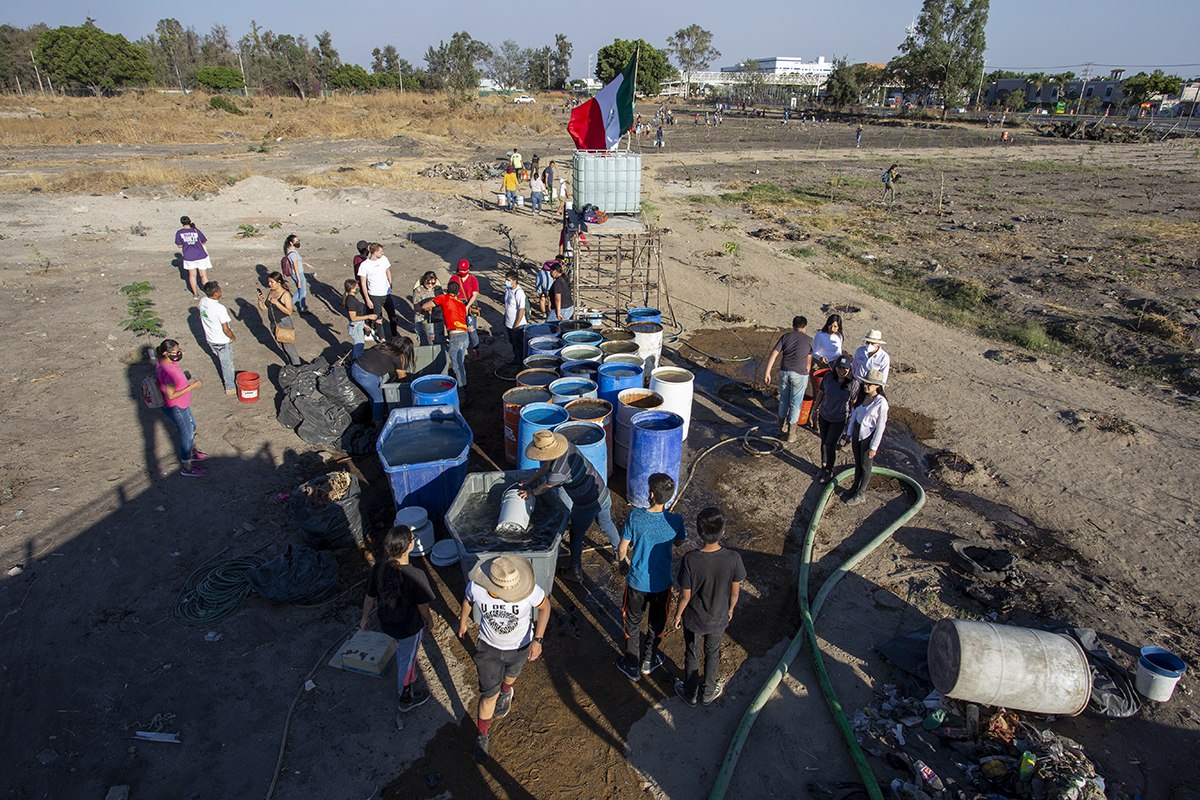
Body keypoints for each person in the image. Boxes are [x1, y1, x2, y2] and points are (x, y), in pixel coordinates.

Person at [458, 555, 549, 765]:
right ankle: (483, 735)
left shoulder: (529, 590)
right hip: (488, 649)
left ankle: (507, 691)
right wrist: (463, 621)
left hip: (520, 646)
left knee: (512, 675)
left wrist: (538, 640)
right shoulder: (477, 587)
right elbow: (468, 600)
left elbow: (545, 607)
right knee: (489, 695)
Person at [517, 430, 620, 583]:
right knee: (606, 523)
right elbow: (546, 467)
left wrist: (530, 493)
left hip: (586, 504)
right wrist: (529, 481)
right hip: (601, 492)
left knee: (576, 535)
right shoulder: (568, 447)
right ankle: (620, 553)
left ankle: (575, 572)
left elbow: (546, 486)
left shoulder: (558, 471)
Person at [360, 525, 435, 721]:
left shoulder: (378, 568)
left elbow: (369, 598)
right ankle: (406, 698)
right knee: (407, 661)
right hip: (408, 628)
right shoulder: (416, 576)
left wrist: (365, 618)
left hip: (387, 624)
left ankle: (407, 681)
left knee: (404, 654)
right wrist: (429, 621)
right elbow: (422, 607)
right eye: (413, 538)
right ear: (409, 547)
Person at [615, 473, 686, 681]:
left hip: (637, 582)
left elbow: (622, 548)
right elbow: (680, 542)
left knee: (632, 622)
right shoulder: (675, 521)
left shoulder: (635, 517)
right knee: (657, 623)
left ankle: (631, 664)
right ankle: (649, 659)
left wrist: (622, 563)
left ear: (652, 494)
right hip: (662, 584)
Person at [673, 506, 745, 706]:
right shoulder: (733, 558)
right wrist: (730, 609)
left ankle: (690, 693)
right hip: (718, 618)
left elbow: (685, 595)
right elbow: (735, 592)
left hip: (694, 619)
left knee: (692, 653)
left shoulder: (690, 559)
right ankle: (708, 692)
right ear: (723, 532)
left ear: (698, 531)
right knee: (713, 652)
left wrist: (678, 615)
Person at [155, 339, 206, 477]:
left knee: (192, 426)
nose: (178, 353)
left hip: (183, 404)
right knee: (187, 433)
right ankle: (186, 465)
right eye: (176, 352)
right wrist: (192, 386)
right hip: (177, 406)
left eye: (179, 350)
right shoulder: (167, 372)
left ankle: (191, 452)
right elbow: (171, 395)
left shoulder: (167, 362)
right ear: (166, 353)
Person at [841, 369, 889, 506]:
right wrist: (849, 434)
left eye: (870, 384)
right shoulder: (862, 396)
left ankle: (861, 493)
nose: (866, 386)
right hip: (857, 432)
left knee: (866, 465)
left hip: (868, 436)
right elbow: (854, 416)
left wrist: (874, 447)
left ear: (877, 386)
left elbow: (880, 427)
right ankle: (854, 487)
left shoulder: (881, 403)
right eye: (865, 383)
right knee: (857, 462)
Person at [762, 316, 813, 442]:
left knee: (783, 400)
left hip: (784, 372)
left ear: (793, 326)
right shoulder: (809, 340)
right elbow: (809, 358)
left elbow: (774, 353)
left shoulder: (785, 337)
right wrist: (807, 370)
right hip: (799, 375)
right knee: (795, 403)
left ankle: (779, 430)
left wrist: (767, 372)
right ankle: (791, 434)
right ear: (805, 327)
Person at [420, 281, 470, 389]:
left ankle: (462, 391)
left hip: (455, 336)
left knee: (457, 365)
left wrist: (430, 308)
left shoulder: (444, 298)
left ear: (447, 290)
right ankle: (462, 386)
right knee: (459, 363)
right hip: (465, 335)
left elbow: (425, 306)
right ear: (458, 292)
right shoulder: (461, 303)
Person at [351, 338, 414, 422]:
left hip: (356, 367)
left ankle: (374, 416)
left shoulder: (385, 346)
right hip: (365, 374)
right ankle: (378, 423)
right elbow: (402, 376)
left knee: (373, 395)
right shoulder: (398, 356)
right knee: (378, 399)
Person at [816, 355, 854, 484]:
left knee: (830, 444)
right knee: (823, 441)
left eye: (845, 368)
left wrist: (850, 424)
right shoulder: (828, 377)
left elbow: (854, 404)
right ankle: (824, 464)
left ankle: (829, 470)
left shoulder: (853, 384)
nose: (841, 370)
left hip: (839, 419)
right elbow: (821, 393)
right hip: (824, 415)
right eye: (839, 367)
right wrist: (814, 409)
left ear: (850, 369)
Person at [197, 281, 237, 395]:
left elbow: (201, 316)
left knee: (220, 358)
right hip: (222, 341)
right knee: (227, 365)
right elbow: (225, 328)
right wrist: (232, 337)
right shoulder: (220, 308)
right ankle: (230, 387)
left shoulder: (203, 301)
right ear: (215, 294)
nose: (221, 291)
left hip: (210, 339)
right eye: (219, 289)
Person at [257, 272, 302, 366]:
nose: (269, 284)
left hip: (284, 323)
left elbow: (289, 311)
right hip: (274, 323)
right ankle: (291, 365)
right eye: (269, 282)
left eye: (271, 282)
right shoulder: (271, 292)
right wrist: (260, 300)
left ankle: (298, 367)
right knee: (281, 346)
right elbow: (263, 308)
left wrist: (277, 303)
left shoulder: (285, 294)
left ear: (279, 282)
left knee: (289, 348)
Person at [357, 242, 398, 340]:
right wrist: (367, 299)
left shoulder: (384, 259)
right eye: (380, 251)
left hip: (386, 293)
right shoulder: (365, 265)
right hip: (374, 295)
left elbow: (388, 271)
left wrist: (390, 283)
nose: (382, 253)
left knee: (392, 315)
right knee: (378, 318)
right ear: (374, 252)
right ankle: (382, 338)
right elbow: (363, 283)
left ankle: (394, 335)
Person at [175, 216, 212, 301]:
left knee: (192, 275)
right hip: (200, 255)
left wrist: (186, 243)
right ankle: (208, 292)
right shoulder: (195, 230)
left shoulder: (179, 233)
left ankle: (195, 293)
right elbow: (204, 241)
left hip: (189, 256)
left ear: (182, 223)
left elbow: (179, 245)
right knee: (203, 275)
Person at [342, 279, 378, 360]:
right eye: (356, 287)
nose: (358, 288)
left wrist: (363, 325)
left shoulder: (352, 298)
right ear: (351, 289)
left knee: (360, 345)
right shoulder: (351, 301)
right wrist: (368, 316)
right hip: (356, 326)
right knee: (359, 346)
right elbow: (353, 318)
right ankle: (357, 363)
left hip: (358, 325)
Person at [453, 260, 481, 353]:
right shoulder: (454, 278)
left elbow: (475, 294)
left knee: (471, 329)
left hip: (470, 303)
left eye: (464, 270)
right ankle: (462, 348)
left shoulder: (473, 279)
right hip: (458, 304)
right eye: (461, 270)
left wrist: (467, 306)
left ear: (468, 269)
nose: (462, 272)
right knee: (460, 328)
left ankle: (476, 349)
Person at [851, 329, 890, 396]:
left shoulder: (884, 357)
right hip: (858, 385)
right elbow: (854, 367)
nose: (869, 345)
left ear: (878, 343)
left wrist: (879, 392)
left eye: (872, 343)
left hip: (872, 388)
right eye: (868, 342)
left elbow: (883, 377)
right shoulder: (860, 351)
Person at [502, 269, 528, 367]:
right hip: (509, 323)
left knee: (519, 345)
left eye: (508, 280)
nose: (506, 282)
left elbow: (521, 310)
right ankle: (516, 359)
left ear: (514, 281)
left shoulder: (519, 293)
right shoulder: (507, 290)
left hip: (518, 325)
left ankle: (521, 364)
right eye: (506, 279)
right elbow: (508, 305)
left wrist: (516, 325)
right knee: (513, 343)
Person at [411, 271, 442, 347]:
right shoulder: (418, 290)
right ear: (423, 281)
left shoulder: (438, 289)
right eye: (428, 283)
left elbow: (442, 302)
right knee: (423, 340)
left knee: (439, 340)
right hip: (422, 318)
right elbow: (416, 307)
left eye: (433, 283)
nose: (430, 285)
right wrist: (425, 307)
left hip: (436, 318)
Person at [283, 234, 309, 314]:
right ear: (291, 243)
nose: (298, 242)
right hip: (298, 274)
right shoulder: (293, 254)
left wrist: (305, 263)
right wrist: (299, 280)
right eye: (297, 241)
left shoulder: (289, 251)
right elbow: (295, 267)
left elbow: (296, 263)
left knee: (299, 290)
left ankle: (289, 305)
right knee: (302, 291)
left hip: (296, 273)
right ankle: (303, 308)